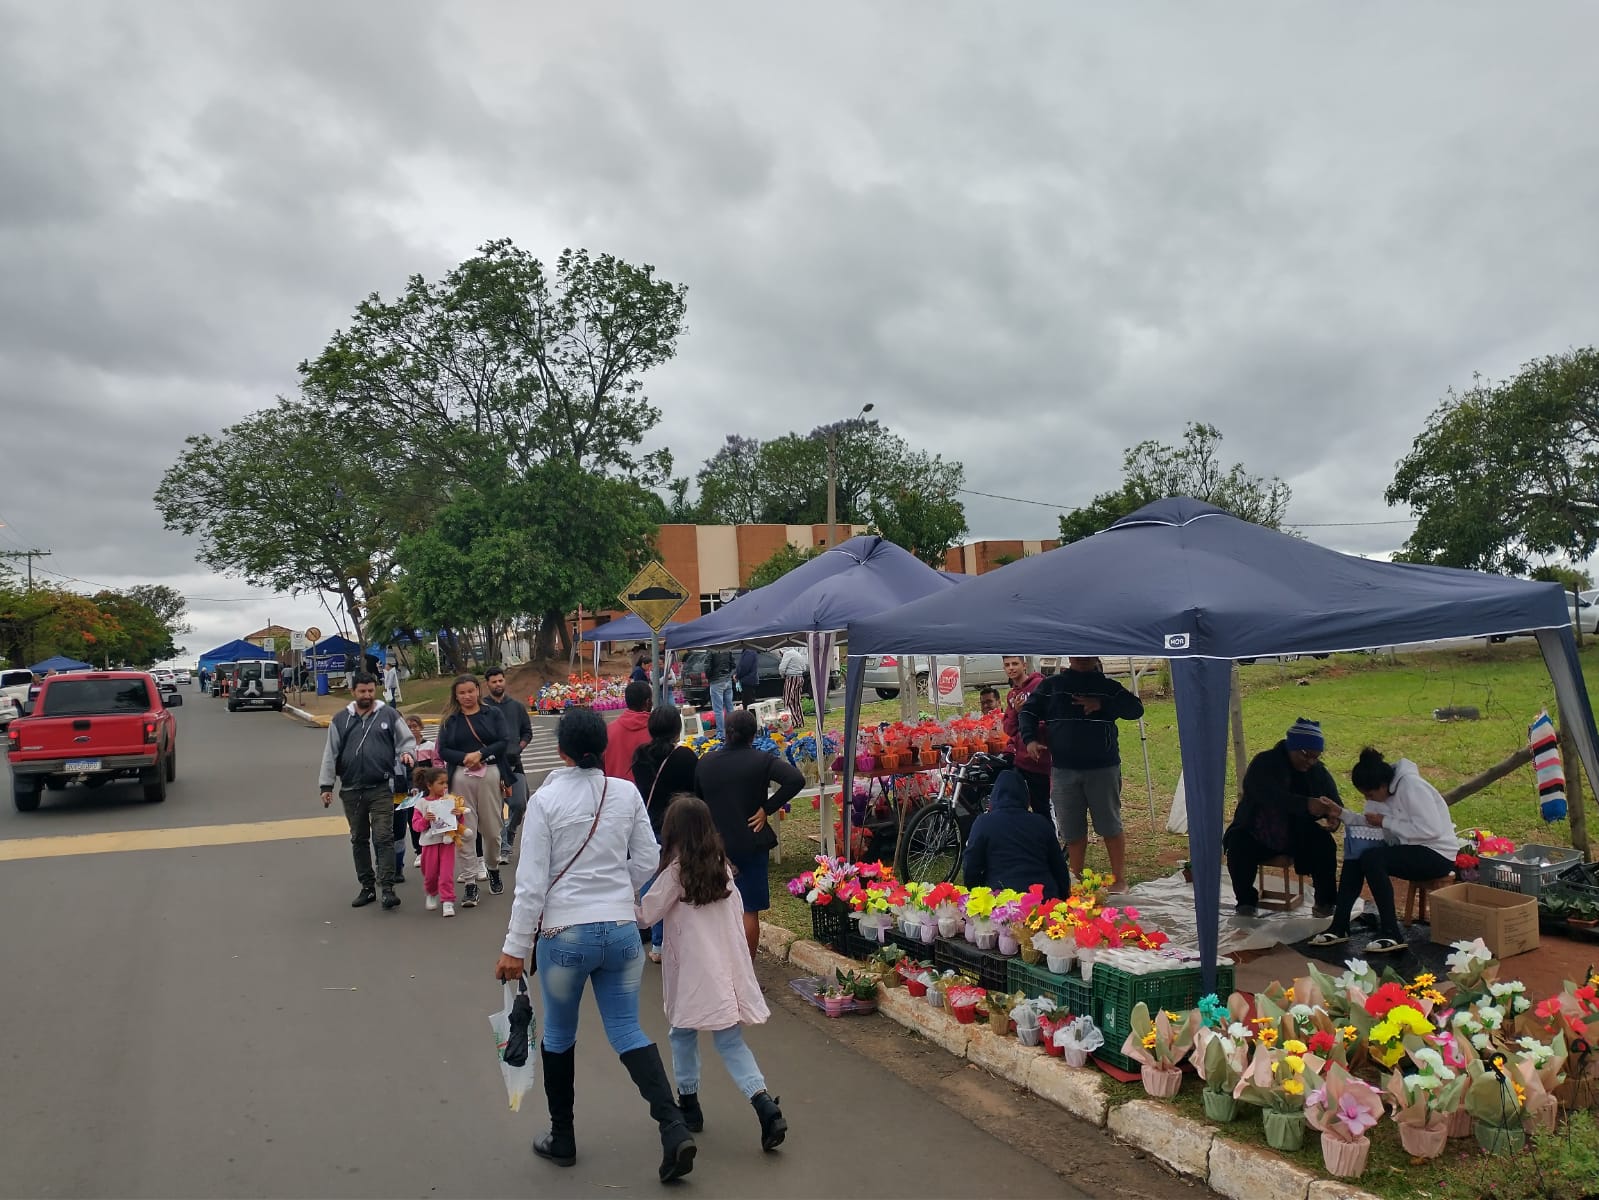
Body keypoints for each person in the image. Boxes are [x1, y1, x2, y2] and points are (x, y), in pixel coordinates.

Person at [492, 709, 695, 1184]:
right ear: (601, 748)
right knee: (627, 1030)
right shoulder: (624, 792)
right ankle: (673, 1126)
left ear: (561, 750)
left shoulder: (545, 800)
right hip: (622, 931)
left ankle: (563, 1137)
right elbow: (648, 858)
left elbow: (530, 885)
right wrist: (614, 892)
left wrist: (514, 948)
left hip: (564, 937)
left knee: (560, 1037)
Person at [639, 794, 787, 1152]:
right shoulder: (722, 867)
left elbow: (645, 915)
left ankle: (689, 1104)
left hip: (691, 971)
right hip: (725, 968)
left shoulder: (676, 872)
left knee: (682, 1033)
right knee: (730, 1041)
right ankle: (764, 1104)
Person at [1308, 748, 1459, 954]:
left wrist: (1386, 821)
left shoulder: (1412, 787)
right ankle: (1340, 924)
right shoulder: (1379, 795)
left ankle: (1391, 931)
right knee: (1357, 855)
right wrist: (1341, 813)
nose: (1369, 799)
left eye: (1370, 794)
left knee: (1373, 859)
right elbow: (1371, 823)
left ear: (1382, 785)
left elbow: (1430, 830)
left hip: (1437, 853)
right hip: (1407, 848)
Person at [1019, 656, 1143, 886]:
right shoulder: (1051, 686)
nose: (1083, 659)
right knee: (1072, 831)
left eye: (1088, 654)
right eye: (1078, 654)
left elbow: (1135, 709)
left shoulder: (1108, 687)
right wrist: (1030, 740)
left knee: (1110, 825)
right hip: (1064, 770)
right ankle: (1075, 881)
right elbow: (1027, 712)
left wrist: (1102, 704)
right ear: (1069, 656)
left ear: (1096, 657)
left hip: (1102, 769)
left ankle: (1119, 880)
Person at [695, 709, 805, 957]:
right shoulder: (761, 760)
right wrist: (767, 808)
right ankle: (747, 975)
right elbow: (795, 779)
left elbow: (696, 800)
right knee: (749, 909)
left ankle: (721, 973)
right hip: (750, 840)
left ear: (725, 733)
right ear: (753, 735)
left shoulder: (705, 763)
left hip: (715, 845)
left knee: (715, 909)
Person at [1222, 718, 1340, 918]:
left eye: (1316, 757)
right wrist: (1305, 804)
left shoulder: (1316, 771)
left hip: (1298, 832)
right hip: (1258, 830)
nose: (1311, 762)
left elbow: (1334, 801)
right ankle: (1245, 902)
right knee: (1238, 845)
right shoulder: (1265, 763)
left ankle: (1325, 903)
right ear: (1291, 747)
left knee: (1325, 845)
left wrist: (1333, 816)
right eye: (1306, 756)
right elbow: (1267, 796)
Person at [318, 671, 417, 910]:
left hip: (381, 786)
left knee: (383, 837)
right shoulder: (341, 719)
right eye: (362, 691)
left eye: (371, 691)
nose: (367, 695)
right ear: (354, 692)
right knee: (359, 838)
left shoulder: (389, 714)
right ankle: (367, 887)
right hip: (351, 789)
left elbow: (407, 739)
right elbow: (330, 754)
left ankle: (388, 888)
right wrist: (326, 785)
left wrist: (407, 754)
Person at [437, 674, 511, 907]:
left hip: (489, 772)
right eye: (462, 693)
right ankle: (470, 882)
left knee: (492, 829)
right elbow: (444, 750)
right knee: (465, 831)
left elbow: (503, 742)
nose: (467, 696)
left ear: (478, 691)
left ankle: (492, 866)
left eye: (471, 691)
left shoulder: (493, 714)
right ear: (456, 695)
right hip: (461, 776)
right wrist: (465, 758)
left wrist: (481, 754)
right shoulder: (450, 719)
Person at [633, 705, 700, 961]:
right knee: (681, 880)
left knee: (655, 882)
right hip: (680, 825)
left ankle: (658, 944)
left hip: (651, 825)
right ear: (677, 728)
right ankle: (681, 938)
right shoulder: (685, 757)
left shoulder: (640, 756)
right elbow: (695, 789)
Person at [964, 770, 1072, 899]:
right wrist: (1062, 898)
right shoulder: (1040, 823)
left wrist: (977, 893)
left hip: (1001, 901)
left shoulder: (983, 823)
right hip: (1043, 899)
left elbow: (971, 866)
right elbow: (1059, 867)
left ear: (994, 797)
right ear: (1025, 797)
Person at [483, 666, 533, 866]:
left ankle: (509, 835)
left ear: (505, 681)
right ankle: (502, 847)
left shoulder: (517, 707)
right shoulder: (482, 708)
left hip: (514, 764)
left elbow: (527, 733)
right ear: (487, 684)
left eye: (500, 680)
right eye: (493, 681)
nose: (497, 684)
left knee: (519, 803)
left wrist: (518, 748)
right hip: (490, 766)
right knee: (494, 809)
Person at [1002, 655, 1052, 816]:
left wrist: (1027, 717)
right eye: (1007, 665)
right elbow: (1009, 728)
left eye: (1015, 663)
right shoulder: (1011, 695)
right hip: (1020, 760)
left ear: (1024, 665)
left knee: (1041, 807)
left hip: (1040, 757)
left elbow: (1049, 717)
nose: (1011, 668)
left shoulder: (1039, 685)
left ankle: (1049, 838)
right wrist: (1016, 713)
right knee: (1014, 803)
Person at [411, 765, 462, 917]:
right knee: (430, 874)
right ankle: (431, 893)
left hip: (447, 842)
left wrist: (457, 814)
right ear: (429, 785)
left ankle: (448, 901)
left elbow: (458, 822)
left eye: (446, 783)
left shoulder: (449, 800)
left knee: (446, 874)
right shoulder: (421, 803)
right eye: (441, 783)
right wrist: (425, 820)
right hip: (429, 843)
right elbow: (416, 825)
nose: (445, 786)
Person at [603, 680, 655, 780]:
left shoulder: (609, 730)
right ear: (648, 702)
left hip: (615, 791)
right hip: (648, 793)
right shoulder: (656, 730)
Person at [403, 714, 434, 870]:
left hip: (429, 789)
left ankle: (432, 849)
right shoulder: (404, 748)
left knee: (432, 818)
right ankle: (419, 851)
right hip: (412, 791)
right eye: (409, 727)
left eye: (415, 726)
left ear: (421, 727)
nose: (412, 730)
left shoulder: (430, 746)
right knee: (413, 819)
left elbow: (437, 766)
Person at [706, 647, 736, 736]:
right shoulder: (728, 649)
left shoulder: (711, 650)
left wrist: (710, 677)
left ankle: (721, 733)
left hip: (716, 681)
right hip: (727, 679)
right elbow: (733, 664)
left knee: (718, 709)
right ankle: (732, 729)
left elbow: (707, 667)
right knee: (730, 707)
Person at [778, 645, 807, 727]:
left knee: (788, 701)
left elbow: (782, 668)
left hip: (791, 678)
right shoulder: (797, 654)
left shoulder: (787, 654)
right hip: (800, 677)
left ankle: (794, 722)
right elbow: (804, 668)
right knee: (797, 701)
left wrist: (782, 675)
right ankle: (800, 721)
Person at [734, 644, 760, 709]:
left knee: (748, 704)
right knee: (749, 703)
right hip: (749, 680)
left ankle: (750, 718)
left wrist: (737, 676)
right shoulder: (750, 651)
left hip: (747, 681)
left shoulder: (749, 651)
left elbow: (744, 667)